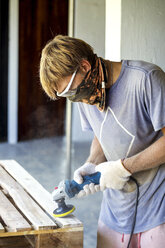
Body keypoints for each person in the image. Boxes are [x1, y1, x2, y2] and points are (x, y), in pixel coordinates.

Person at [40, 35, 165, 248]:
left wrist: (124, 167)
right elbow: (101, 133)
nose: (73, 98)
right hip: (114, 212)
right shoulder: (86, 93)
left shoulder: (147, 79)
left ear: (84, 66)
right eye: (66, 95)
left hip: (158, 210)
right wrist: (92, 163)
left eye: (71, 90)